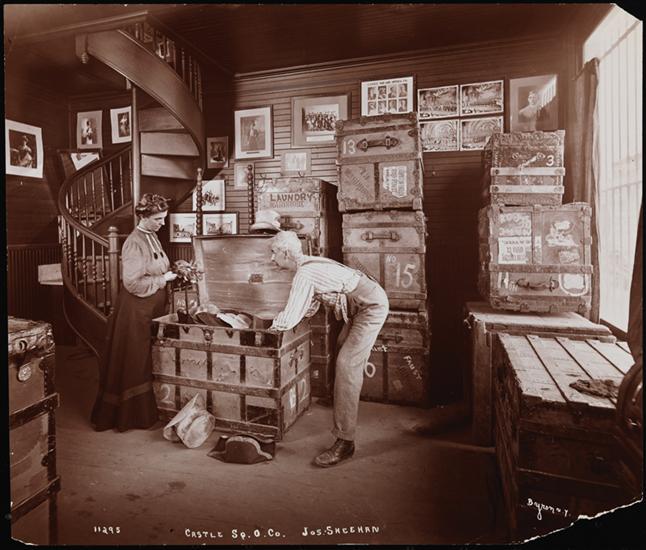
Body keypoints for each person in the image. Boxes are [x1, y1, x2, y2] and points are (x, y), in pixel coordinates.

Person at [269, 231, 389, 467]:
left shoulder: (305, 273)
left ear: (285, 253)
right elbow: (309, 305)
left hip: (370, 307)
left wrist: (270, 331)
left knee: (347, 365)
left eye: (273, 253)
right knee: (342, 346)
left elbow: (291, 316)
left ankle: (345, 441)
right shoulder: (307, 266)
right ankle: (339, 398)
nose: (271, 259)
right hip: (359, 305)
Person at [91, 193, 178, 431]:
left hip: (150, 308)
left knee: (144, 360)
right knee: (135, 361)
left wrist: (171, 273)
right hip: (135, 310)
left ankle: (144, 414)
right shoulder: (133, 242)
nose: (162, 223)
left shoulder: (152, 236)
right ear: (143, 217)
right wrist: (163, 279)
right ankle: (129, 417)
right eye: (158, 219)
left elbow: (155, 267)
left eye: (164, 218)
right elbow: (132, 283)